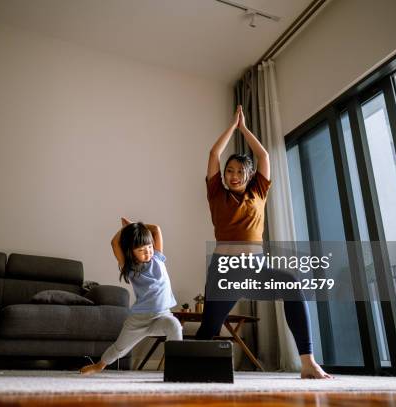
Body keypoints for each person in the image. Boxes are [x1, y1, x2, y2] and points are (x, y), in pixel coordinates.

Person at [195, 105, 332, 379]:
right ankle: (187, 365)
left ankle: (308, 362)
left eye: (238, 171)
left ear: (249, 175)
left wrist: (245, 129)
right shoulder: (216, 194)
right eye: (229, 170)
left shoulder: (258, 190)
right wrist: (232, 128)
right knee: (208, 328)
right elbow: (213, 154)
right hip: (224, 270)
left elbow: (263, 155)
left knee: (291, 282)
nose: (232, 175)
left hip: (257, 267)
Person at [80, 218, 182, 375]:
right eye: (141, 250)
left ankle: (177, 368)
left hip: (162, 316)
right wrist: (127, 231)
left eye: (149, 247)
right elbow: (114, 243)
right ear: (131, 252)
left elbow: (156, 229)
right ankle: (99, 365)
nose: (147, 251)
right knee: (120, 347)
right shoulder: (130, 268)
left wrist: (135, 227)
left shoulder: (158, 258)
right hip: (139, 320)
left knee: (174, 325)